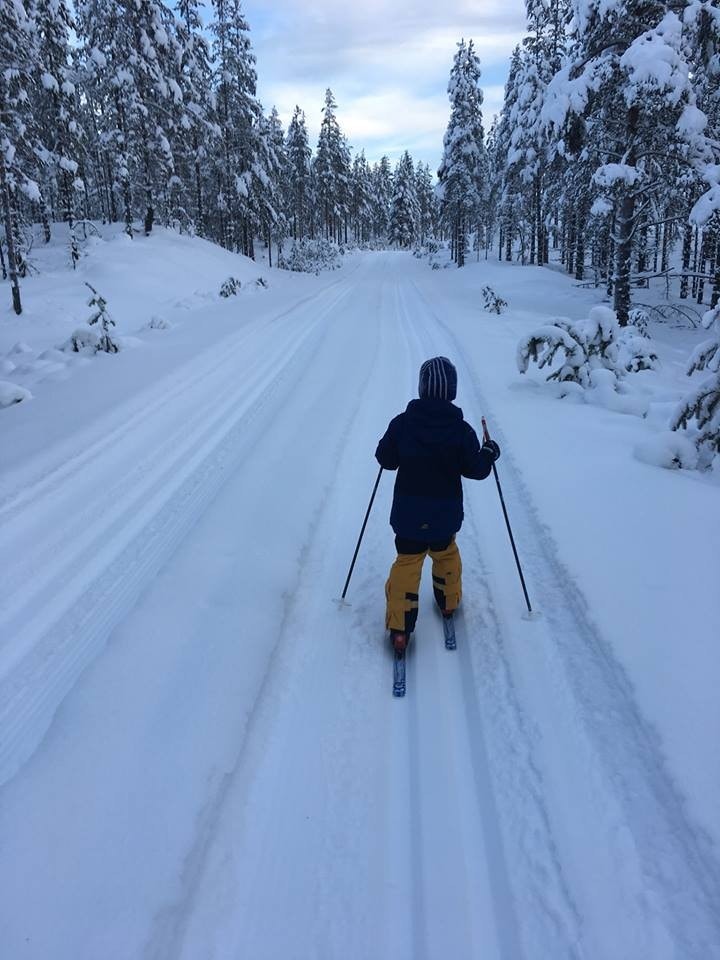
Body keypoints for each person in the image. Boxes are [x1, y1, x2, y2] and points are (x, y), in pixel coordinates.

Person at [375, 356, 500, 653]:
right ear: (452, 391)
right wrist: (489, 452)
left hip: (407, 516)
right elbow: (477, 470)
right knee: (446, 557)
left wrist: (393, 447)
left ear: (421, 388)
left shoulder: (403, 423)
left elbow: (385, 459)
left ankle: (400, 628)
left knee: (407, 564)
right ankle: (448, 603)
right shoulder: (462, 430)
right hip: (445, 515)